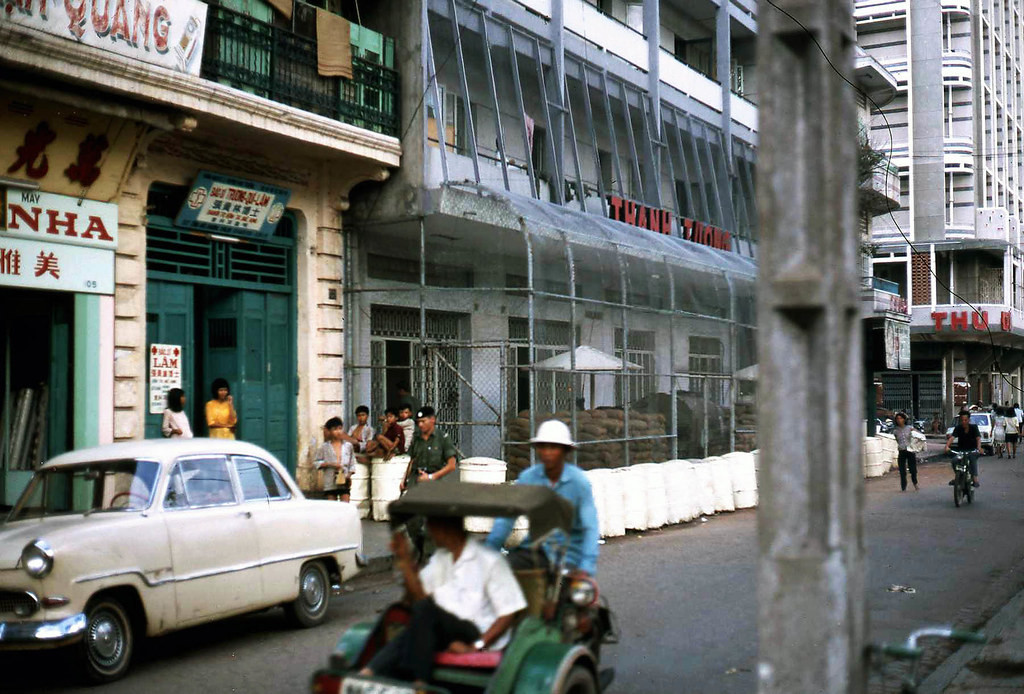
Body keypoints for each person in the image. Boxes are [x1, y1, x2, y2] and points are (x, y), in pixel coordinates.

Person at [359, 516, 526, 685]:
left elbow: (508, 613)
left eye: (433, 529)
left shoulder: (489, 561)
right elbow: (419, 597)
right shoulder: (441, 560)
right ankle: (371, 673)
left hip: (475, 632)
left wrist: (477, 645)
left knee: (425, 611)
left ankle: (415, 681)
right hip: (442, 630)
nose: (430, 534)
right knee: (420, 617)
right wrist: (405, 561)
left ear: (446, 530)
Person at [486, 420, 599, 576]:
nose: (547, 452)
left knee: (575, 595)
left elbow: (590, 527)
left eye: (553, 447)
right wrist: (490, 550)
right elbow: (507, 517)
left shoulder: (578, 482)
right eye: (543, 447)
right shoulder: (528, 478)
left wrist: (586, 566)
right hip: (535, 552)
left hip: (570, 555)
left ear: (565, 451)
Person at [401, 406, 458, 491]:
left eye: (423, 421)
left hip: (436, 481)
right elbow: (412, 460)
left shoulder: (442, 438)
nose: (420, 425)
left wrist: (431, 477)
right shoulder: (416, 438)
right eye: (418, 422)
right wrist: (404, 480)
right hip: (417, 480)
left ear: (432, 420)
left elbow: (451, 465)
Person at [316, 417, 354, 501]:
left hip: (344, 480)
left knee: (345, 506)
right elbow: (317, 462)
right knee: (332, 507)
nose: (338, 432)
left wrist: (348, 475)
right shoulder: (324, 447)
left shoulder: (348, 446)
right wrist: (330, 464)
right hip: (330, 480)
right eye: (335, 429)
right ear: (329, 431)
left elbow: (352, 464)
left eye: (340, 429)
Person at [945, 410, 981, 488]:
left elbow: (978, 439)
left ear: (969, 420)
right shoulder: (958, 428)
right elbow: (952, 438)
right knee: (954, 461)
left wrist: (978, 448)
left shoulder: (974, 427)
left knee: (972, 459)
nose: (964, 422)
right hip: (961, 451)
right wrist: (947, 446)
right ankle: (958, 477)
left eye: (965, 420)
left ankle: (975, 479)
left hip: (972, 450)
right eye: (962, 420)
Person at [892, 412, 917, 491]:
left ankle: (915, 482)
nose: (899, 420)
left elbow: (916, 437)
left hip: (910, 450)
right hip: (901, 451)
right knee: (902, 470)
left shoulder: (910, 428)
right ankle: (903, 487)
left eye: (901, 418)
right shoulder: (895, 430)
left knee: (913, 469)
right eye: (897, 419)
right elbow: (896, 440)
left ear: (904, 419)